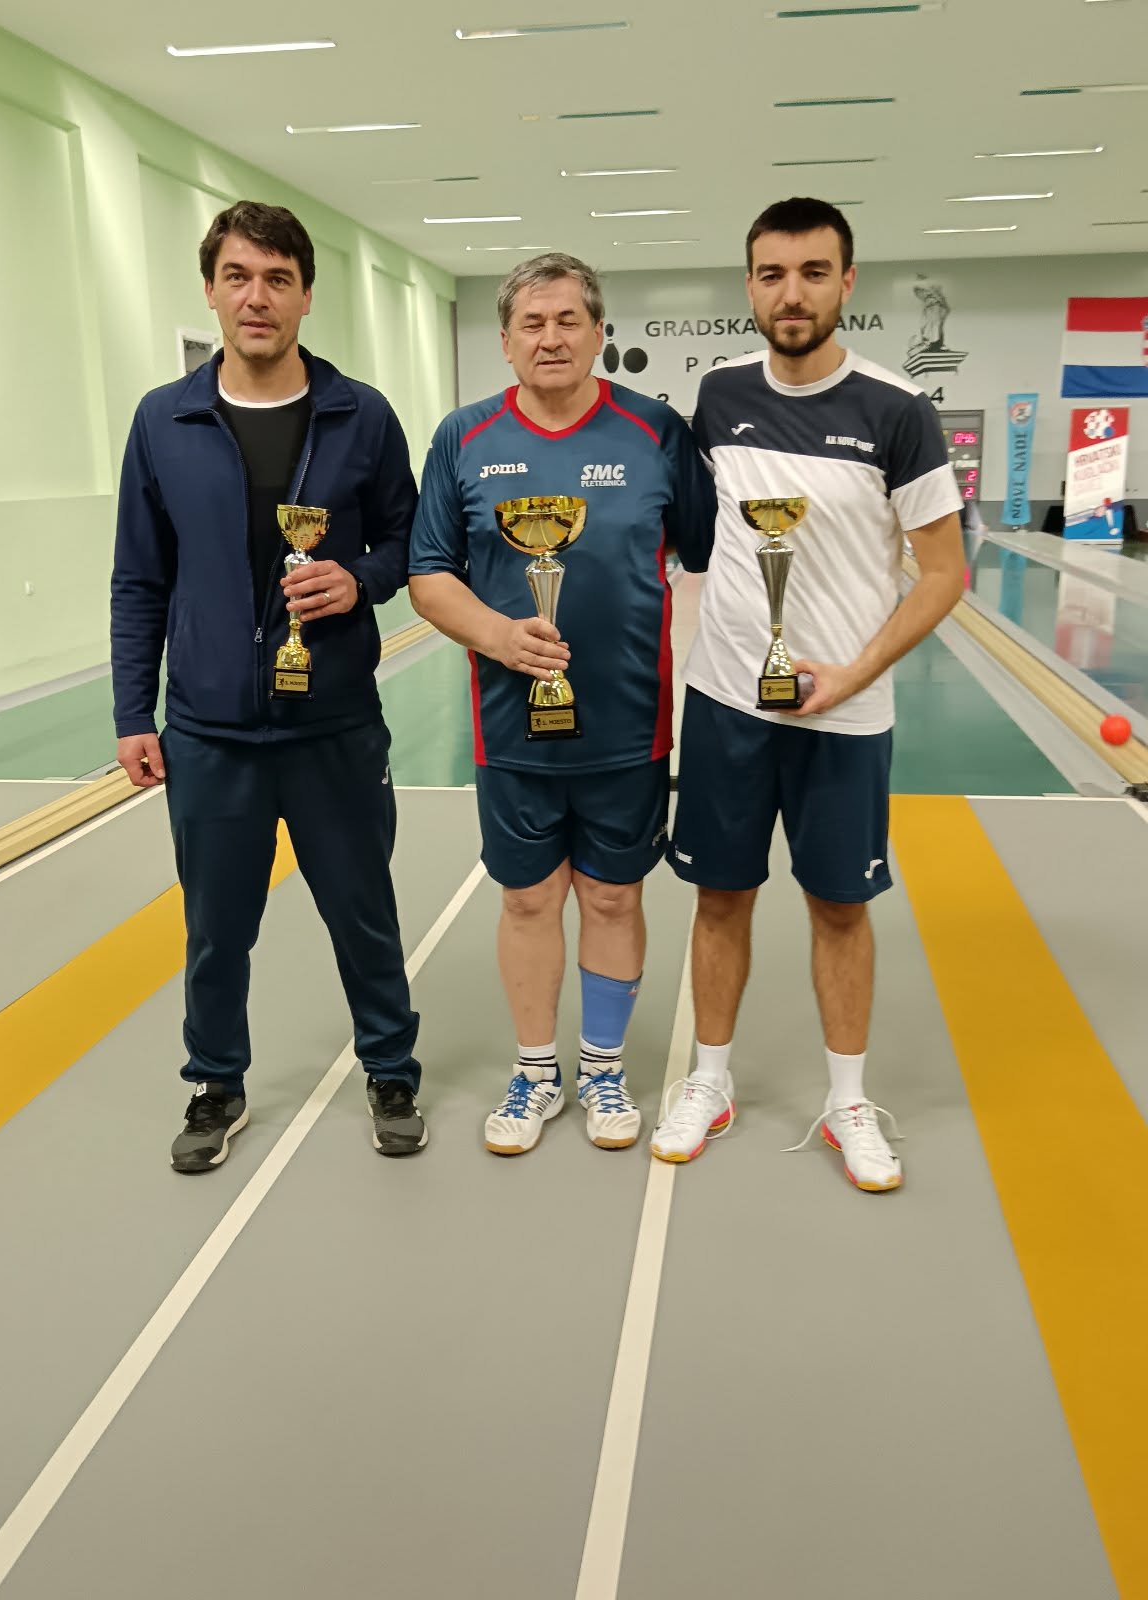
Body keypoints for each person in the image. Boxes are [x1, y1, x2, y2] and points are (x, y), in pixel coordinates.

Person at [653, 198, 965, 1191]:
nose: (793, 293)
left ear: (846, 282)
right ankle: (709, 1082)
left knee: (840, 907)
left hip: (846, 716)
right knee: (720, 896)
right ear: (750, 285)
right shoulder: (719, 395)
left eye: (814, 272)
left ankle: (847, 1102)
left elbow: (944, 573)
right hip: (725, 702)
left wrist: (851, 674)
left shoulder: (896, 411)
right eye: (773, 274)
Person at [111, 200, 426, 1170]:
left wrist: (359, 579)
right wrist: (133, 711)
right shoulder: (163, 420)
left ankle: (391, 1070)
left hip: (334, 723)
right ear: (210, 291)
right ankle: (216, 1081)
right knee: (215, 929)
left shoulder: (360, 414)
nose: (258, 297)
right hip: (211, 731)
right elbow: (139, 577)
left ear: (305, 296)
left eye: (278, 279)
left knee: (364, 914)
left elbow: (409, 540)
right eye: (239, 277)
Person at [408, 253, 714, 1156]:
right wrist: (499, 636)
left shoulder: (655, 431)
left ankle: (604, 1068)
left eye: (568, 319)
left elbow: (709, 554)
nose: (551, 337)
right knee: (528, 901)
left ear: (598, 333)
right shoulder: (463, 437)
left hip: (629, 725)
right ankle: (537, 1072)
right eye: (532, 323)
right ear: (505, 340)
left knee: (614, 900)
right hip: (513, 731)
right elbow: (429, 574)